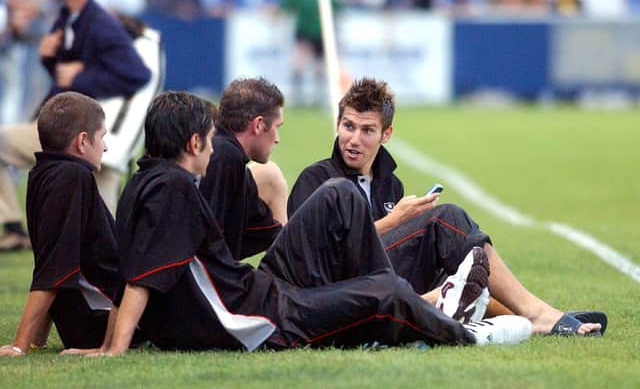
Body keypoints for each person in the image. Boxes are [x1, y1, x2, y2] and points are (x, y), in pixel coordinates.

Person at [99, 90, 532, 356]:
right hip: (261, 318)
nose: (215, 151)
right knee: (383, 290)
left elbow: (133, 265)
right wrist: (115, 349)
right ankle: (464, 333)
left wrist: (107, 344)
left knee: (340, 194)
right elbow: (142, 274)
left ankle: (413, 310)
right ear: (194, 142)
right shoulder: (171, 188)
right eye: (210, 142)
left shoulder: (148, 181)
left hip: (261, 288)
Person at [288, 77, 606, 336]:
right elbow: (312, 261)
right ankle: (535, 314)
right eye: (348, 126)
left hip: (380, 281)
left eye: (367, 130)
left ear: (386, 134)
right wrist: (396, 220)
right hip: (336, 293)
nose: (354, 139)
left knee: (459, 265)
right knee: (448, 220)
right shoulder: (317, 180)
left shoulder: (389, 185)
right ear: (338, 125)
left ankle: (535, 316)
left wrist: (404, 225)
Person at [0, 0, 151, 252]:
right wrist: (49, 58)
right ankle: (12, 229)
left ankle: (12, 228)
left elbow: (137, 73)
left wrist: (83, 75)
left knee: (102, 237)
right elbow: (62, 75)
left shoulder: (100, 22)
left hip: (79, 133)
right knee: (101, 235)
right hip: (70, 128)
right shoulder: (69, 17)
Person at [0, 91, 121, 356]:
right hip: (103, 319)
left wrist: (37, 342)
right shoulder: (72, 176)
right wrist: (20, 346)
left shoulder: (42, 173)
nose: (106, 147)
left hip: (85, 322)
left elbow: (51, 264)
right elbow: (55, 269)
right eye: (102, 137)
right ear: (82, 141)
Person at [199, 77, 287, 261]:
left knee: (271, 175)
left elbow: (270, 232)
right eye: (277, 128)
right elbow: (205, 250)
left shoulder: (230, 157)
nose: (277, 138)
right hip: (189, 283)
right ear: (258, 125)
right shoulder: (223, 157)